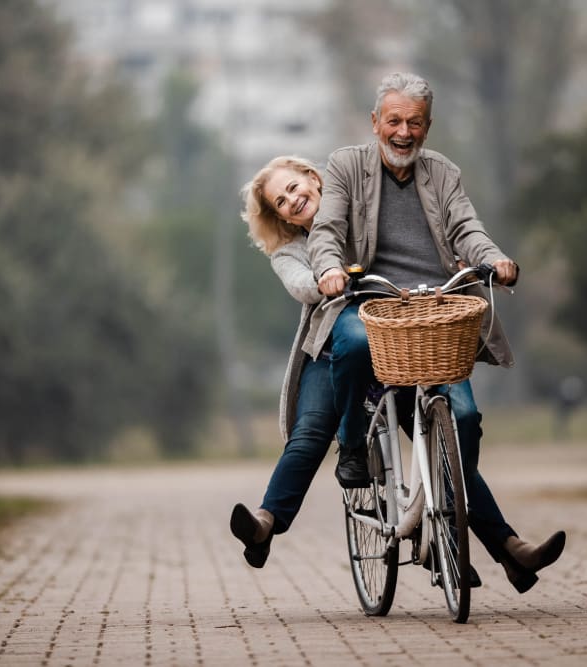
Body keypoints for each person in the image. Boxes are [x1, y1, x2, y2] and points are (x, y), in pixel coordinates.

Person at [307, 72, 566, 593]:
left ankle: (471, 536)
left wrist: (492, 258)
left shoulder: (443, 173)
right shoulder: (345, 166)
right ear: (375, 122)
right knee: (352, 341)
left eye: (416, 122)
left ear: (429, 126)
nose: (404, 132)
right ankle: (353, 446)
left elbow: (466, 228)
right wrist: (330, 269)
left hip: (435, 312)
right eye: (395, 121)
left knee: (465, 417)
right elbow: (327, 231)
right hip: (373, 306)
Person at [229, 156, 340, 568]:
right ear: (281, 217)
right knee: (308, 432)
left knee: (443, 428)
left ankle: (504, 546)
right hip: (325, 351)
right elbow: (300, 286)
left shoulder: (356, 217)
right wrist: (324, 280)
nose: (292, 200)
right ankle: (263, 522)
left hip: (392, 343)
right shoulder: (289, 253)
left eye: (294, 187)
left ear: (312, 178)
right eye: (281, 201)